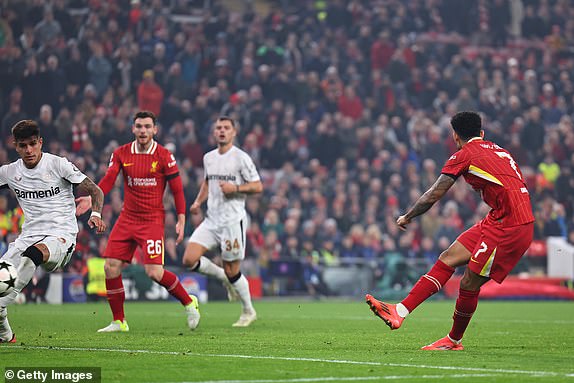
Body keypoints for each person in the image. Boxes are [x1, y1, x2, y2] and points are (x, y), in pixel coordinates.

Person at [366, 111, 535, 350]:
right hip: (501, 218)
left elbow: (434, 194)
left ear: (455, 136)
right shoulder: (500, 150)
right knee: (448, 258)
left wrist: (407, 216)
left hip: (510, 226)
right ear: (482, 133)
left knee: (468, 283)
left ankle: (454, 341)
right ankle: (399, 312)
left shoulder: (463, 155)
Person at [76, 110, 200, 332]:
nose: (143, 131)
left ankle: (189, 303)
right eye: (139, 126)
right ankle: (119, 321)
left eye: (147, 127)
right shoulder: (121, 153)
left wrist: (181, 218)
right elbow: (109, 179)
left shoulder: (164, 156)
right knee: (110, 267)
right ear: (133, 129)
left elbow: (177, 189)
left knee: (155, 272)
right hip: (127, 218)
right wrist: (93, 198)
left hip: (152, 220)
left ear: (155, 130)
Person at [0, 119, 106, 343]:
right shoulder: (10, 172)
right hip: (27, 236)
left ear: (40, 142)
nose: (28, 150)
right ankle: (6, 334)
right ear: (15, 146)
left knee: (31, 257)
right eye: (22, 145)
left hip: (62, 237)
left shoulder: (58, 165)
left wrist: (95, 214)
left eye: (32, 144)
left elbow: (95, 190)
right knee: (2, 279)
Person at [183, 116, 263, 327]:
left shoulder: (241, 158)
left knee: (233, 270)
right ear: (214, 132)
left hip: (232, 221)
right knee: (189, 259)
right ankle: (223, 278)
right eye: (218, 128)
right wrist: (198, 202)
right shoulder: (209, 157)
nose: (222, 131)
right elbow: (208, 182)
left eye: (226, 128)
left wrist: (235, 189)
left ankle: (248, 311)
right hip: (212, 220)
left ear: (234, 132)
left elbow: (257, 186)